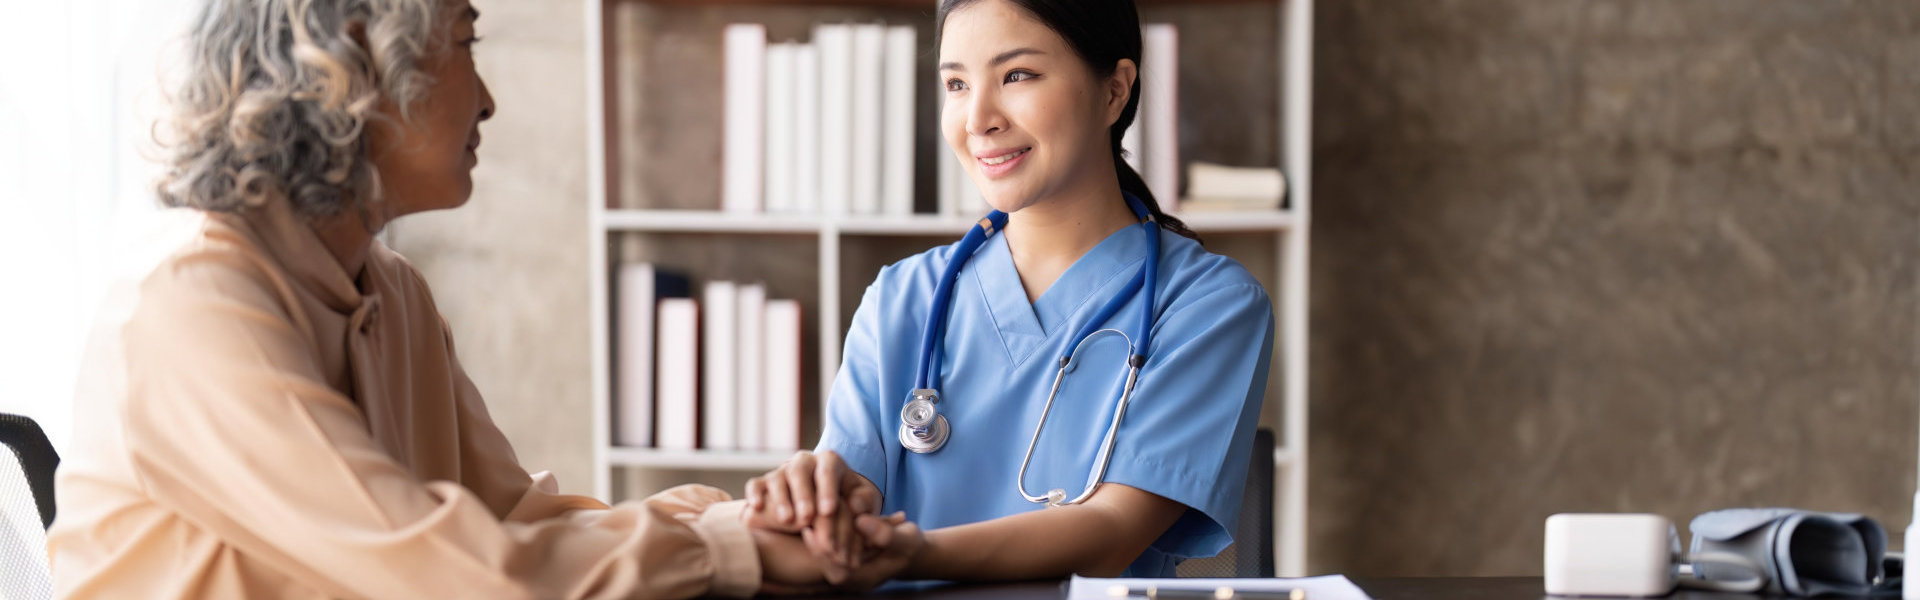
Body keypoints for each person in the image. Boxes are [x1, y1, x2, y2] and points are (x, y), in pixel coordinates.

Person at [46, 0, 913, 597]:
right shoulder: (192, 304)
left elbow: (519, 520)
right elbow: (448, 571)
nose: (488, 99)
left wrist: (752, 518)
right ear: (354, 63)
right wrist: (725, 552)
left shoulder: (393, 291)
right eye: (465, 40)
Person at [745, 0, 1276, 582]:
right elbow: (849, 497)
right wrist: (814, 501)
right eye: (956, 83)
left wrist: (917, 554)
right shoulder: (901, 297)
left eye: (1017, 75)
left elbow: (1111, 531)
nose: (978, 119)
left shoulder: (1209, 304)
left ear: (1114, 91)